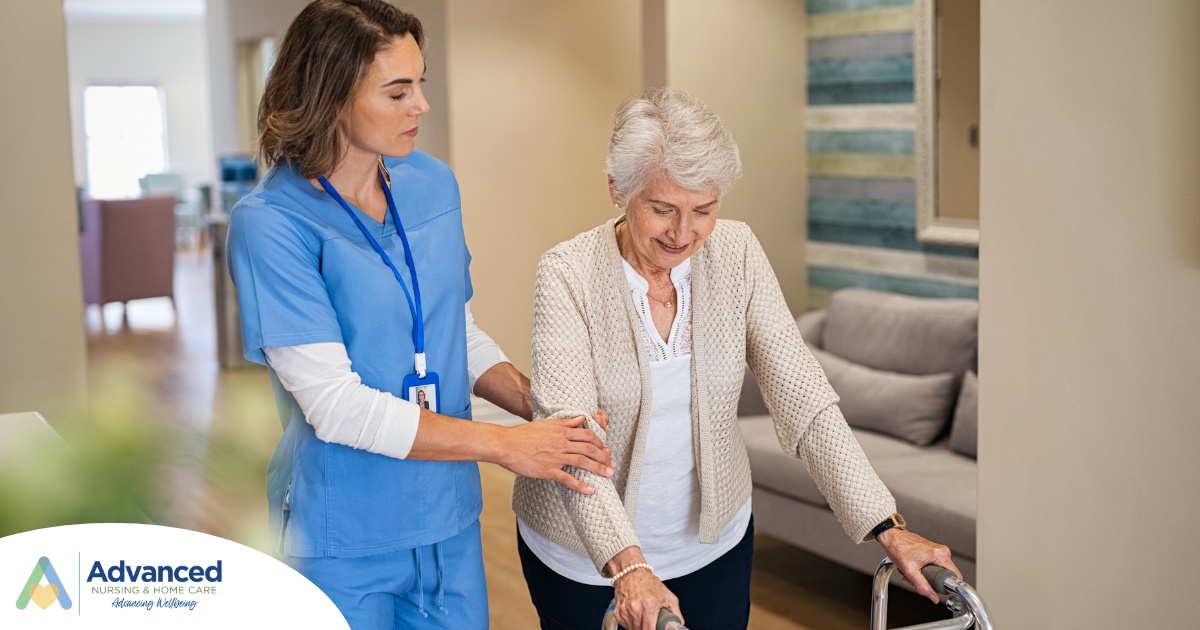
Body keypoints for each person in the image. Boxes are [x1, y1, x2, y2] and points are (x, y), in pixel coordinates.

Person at [226, 1, 615, 627]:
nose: (421, 106)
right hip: (343, 534)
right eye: (397, 90)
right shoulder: (271, 224)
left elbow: (449, 328)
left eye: (421, 83)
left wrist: (540, 407)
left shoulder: (431, 184)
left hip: (448, 519)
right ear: (330, 97)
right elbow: (334, 404)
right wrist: (508, 447)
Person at [511, 88, 960, 630]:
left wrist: (887, 524)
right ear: (617, 189)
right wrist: (629, 567)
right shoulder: (568, 273)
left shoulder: (737, 251)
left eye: (704, 209)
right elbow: (572, 438)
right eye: (662, 210)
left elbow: (804, 398)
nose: (684, 233)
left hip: (712, 544)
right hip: (584, 558)